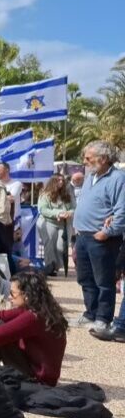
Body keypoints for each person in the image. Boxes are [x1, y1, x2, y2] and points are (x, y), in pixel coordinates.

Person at [0, 271, 67, 386]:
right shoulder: (39, 309)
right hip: (37, 369)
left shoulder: (34, 317)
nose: (9, 297)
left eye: (12, 293)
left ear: (26, 295)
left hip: (39, 380)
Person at [73, 141, 125, 332]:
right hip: (83, 236)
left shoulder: (118, 179)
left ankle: (103, 317)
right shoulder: (90, 177)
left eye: (88, 158)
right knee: (85, 278)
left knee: (104, 281)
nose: (84, 161)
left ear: (103, 159)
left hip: (102, 239)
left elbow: (121, 210)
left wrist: (107, 232)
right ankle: (91, 313)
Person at [37, 174, 75, 277]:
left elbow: (73, 207)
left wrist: (69, 213)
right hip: (48, 222)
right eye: (58, 180)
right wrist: (58, 213)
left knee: (61, 247)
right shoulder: (45, 194)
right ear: (53, 181)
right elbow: (43, 209)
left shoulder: (67, 194)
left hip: (64, 223)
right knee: (49, 245)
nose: (61, 182)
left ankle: (56, 266)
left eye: (62, 180)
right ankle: (50, 267)